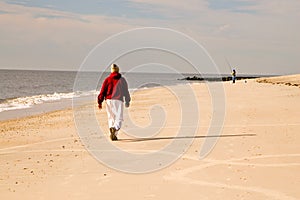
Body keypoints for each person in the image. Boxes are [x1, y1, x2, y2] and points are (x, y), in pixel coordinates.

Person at [98, 64, 131, 141]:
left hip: (108, 100)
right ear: (118, 70)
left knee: (111, 117)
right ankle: (115, 129)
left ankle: (113, 134)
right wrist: (127, 100)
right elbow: (126, 91)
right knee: (119, 118)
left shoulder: (107, 80)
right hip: (118, 100)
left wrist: (100, 102)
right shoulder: (122, 80)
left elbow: (102, 91)